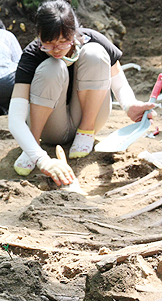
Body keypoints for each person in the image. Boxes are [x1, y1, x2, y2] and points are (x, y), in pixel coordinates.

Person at [8, 0, 155, 186]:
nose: (56, 50)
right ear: (39, 36)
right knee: (51, 67)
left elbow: (119, 84)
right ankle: (34, 142)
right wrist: (41, 158)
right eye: (49, 43)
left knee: (94, 53)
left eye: (63, 42)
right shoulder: (32, 55)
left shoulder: (92, 38)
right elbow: (15, 118)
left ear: (74, 32)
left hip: (90, 118)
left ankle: (86, 130)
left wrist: (129, 105)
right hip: (52, 127)